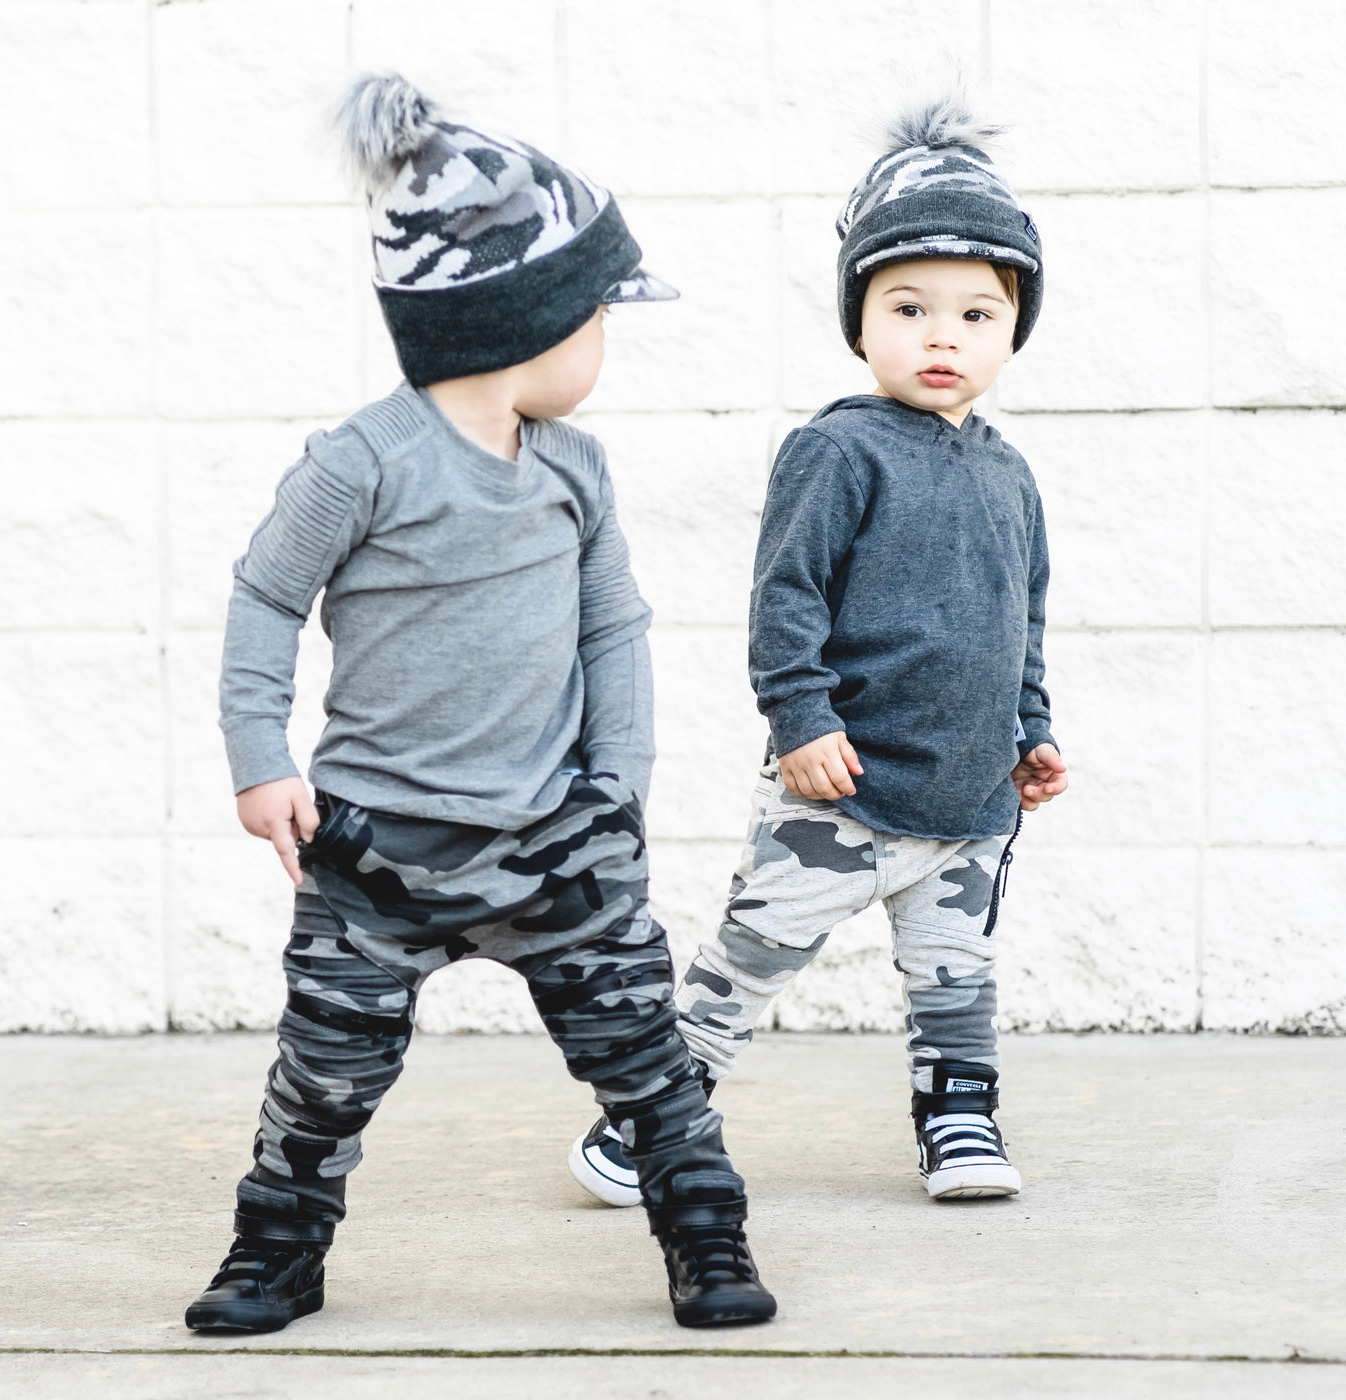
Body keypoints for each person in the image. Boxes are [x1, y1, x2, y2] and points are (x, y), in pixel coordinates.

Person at [185, 74, 775, 1334]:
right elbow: (264, 597)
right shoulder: (360, 463)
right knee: (323, 1077)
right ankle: (274, 1252)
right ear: (525, 320)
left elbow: (613, 626)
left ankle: (705, 1234)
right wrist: (259, 757)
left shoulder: (575, 469)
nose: (605, 340)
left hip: (555, 838)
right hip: (372, 848)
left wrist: (615, 786)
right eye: (598, 314)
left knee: (646, 1061)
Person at [569, 96, 1067, 1210]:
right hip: (837, 787)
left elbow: (1021, 621)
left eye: (977, 313)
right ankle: (650, 1120)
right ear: (858, 322)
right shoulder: (836, 450)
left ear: (1011, 332)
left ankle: (958, 1120)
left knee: (955, 979)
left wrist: (1030, 732)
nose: (943, 336)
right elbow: (784, 597)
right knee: (751, 956)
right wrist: (800, 719)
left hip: (968, 799)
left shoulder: (1011, 476)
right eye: (908, 307)